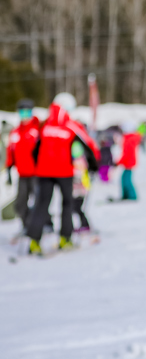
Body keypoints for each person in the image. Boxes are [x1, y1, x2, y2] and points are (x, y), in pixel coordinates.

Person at [26, 92, 99, 254]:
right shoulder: (71, 125)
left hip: (44, 172)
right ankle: (65, 238)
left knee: (41, 204)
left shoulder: (45, 124)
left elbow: (35, 148)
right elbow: (88, 146)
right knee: (67, 204)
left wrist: (39, 165)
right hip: (64, 172)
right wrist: (94, 166)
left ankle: (34, 241)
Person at [5, 98, 40, 235]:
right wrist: (8, 169)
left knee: (39, 202)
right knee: (20, 204)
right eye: (22, 113)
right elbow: (11, 151)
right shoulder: (16, 132)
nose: (25, 117)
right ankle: (27, 225)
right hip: (22, 174)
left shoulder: (37, 130)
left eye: (27, 113)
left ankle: (44, 225)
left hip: (36, 174)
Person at [118, 122, 143, 200]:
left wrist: (120, 161)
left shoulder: (129, 139)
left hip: (129, 162)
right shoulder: (129, 138)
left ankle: (131, 195)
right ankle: (127, 195)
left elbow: (127, 153)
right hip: (128, 162)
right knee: (124, 178)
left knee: (126, 180)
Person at [71, 141, 91, 233]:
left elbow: (79, 174)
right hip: (79, 189)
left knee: (77, 208)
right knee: (76, 208)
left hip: (80, 189)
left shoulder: (78, 162)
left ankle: (85, 224)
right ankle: (83, 224)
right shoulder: (81, 160)